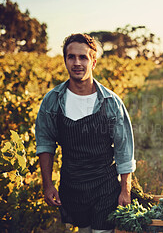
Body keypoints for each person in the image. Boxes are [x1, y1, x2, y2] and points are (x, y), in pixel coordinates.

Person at [35, 33, 135, 233]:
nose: (77, 62)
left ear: (93, 62)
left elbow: (124, 149)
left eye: (83, 57)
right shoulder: (52, 101)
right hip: (72, 185)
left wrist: (125, 189)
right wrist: (48, 185)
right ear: (65, 60)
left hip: (104, 185)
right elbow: (45, 144)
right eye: (71, 57)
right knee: (83, 230)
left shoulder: (111, 102)